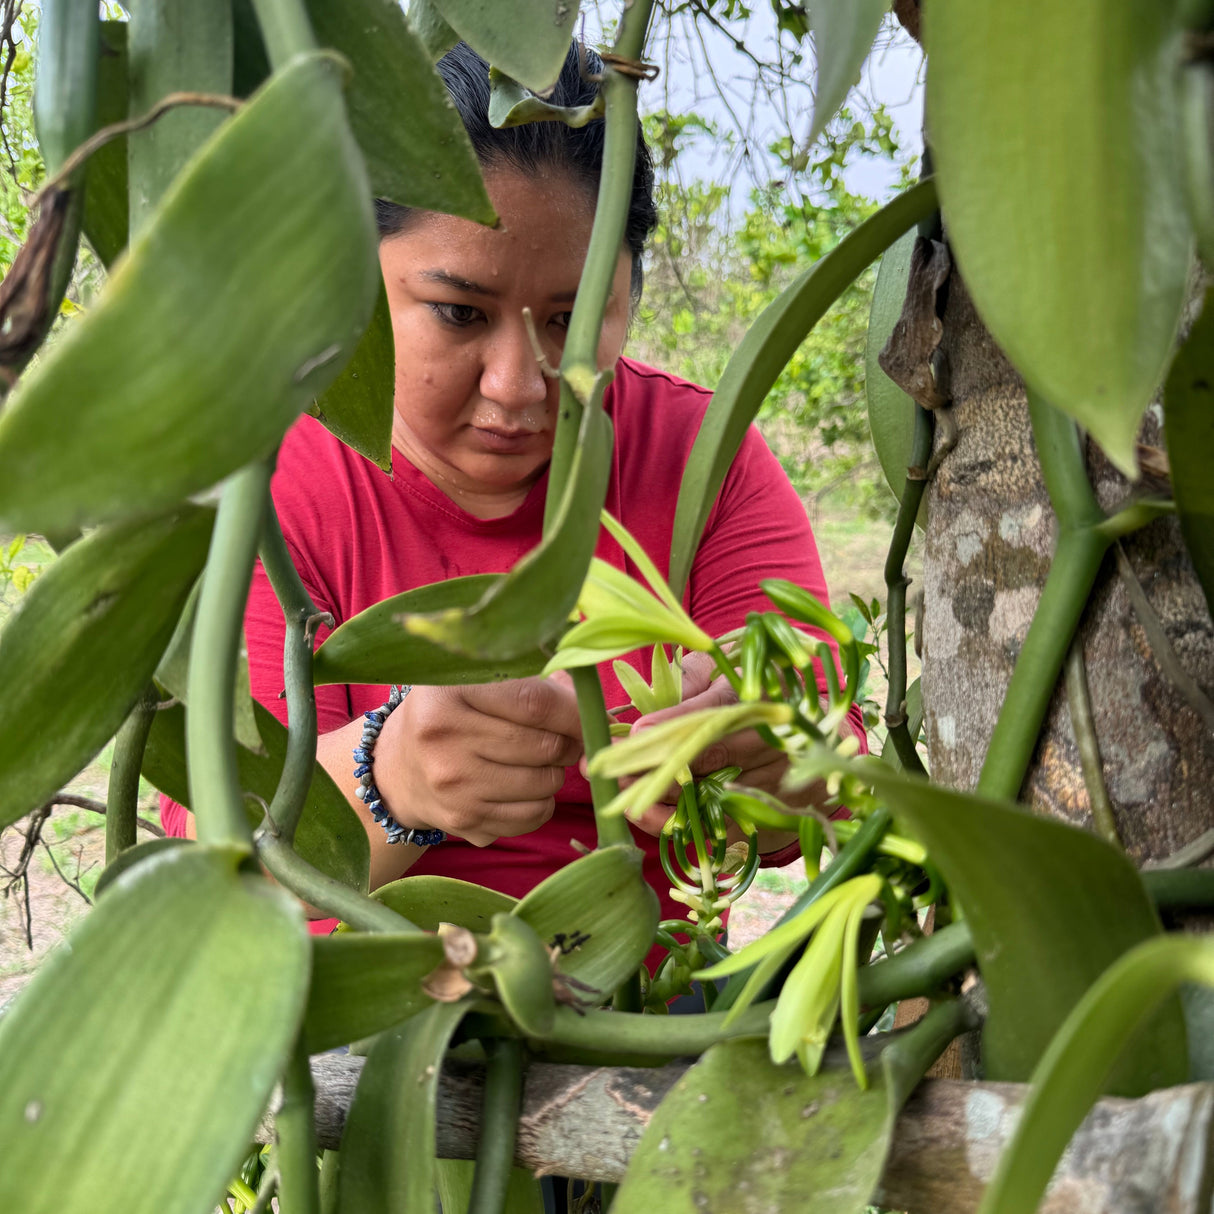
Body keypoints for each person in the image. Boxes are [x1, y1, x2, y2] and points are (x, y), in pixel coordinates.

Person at [160, 40, 865, 940]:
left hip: (652, 1025)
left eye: (573, 321)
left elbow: (840, 778)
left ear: (633, 294)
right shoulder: (273, 486)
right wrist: (390, 782)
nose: (518, 386)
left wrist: (782, 755)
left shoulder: (700, 459)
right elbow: (214, 867)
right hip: (367, 1018)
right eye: (459, 313)